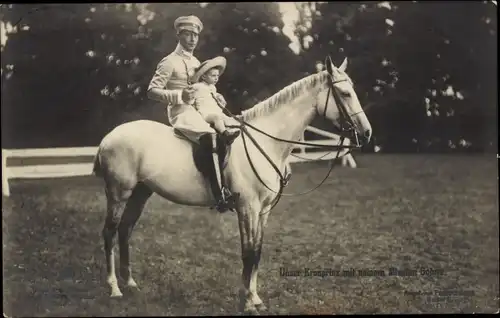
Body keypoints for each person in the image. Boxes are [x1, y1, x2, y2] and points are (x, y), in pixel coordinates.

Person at [146, 15, 237, 213]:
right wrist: (179, 95)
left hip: (201, 110)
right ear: (179, 35)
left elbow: (205, 89)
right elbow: (152, 91)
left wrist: (217, 98)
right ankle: (219, 194)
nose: (193, 39)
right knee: (211, 136)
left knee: (233, 129)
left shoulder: (197, 61)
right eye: (188, 34)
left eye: (195, 34)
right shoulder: (169, 62)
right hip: (182, 112)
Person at [190, 56, 241, 145]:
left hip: (215, 111)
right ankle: (225, 134)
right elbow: (190, 98)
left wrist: (220, 98)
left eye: (217, 75)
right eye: (213, 76)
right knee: (216, 118)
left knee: (227, 118)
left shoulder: (213, 88)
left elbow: (214, 97)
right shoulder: (197, 87)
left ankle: (235, 131)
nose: (216, 78)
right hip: (205, 113)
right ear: (204, 77)